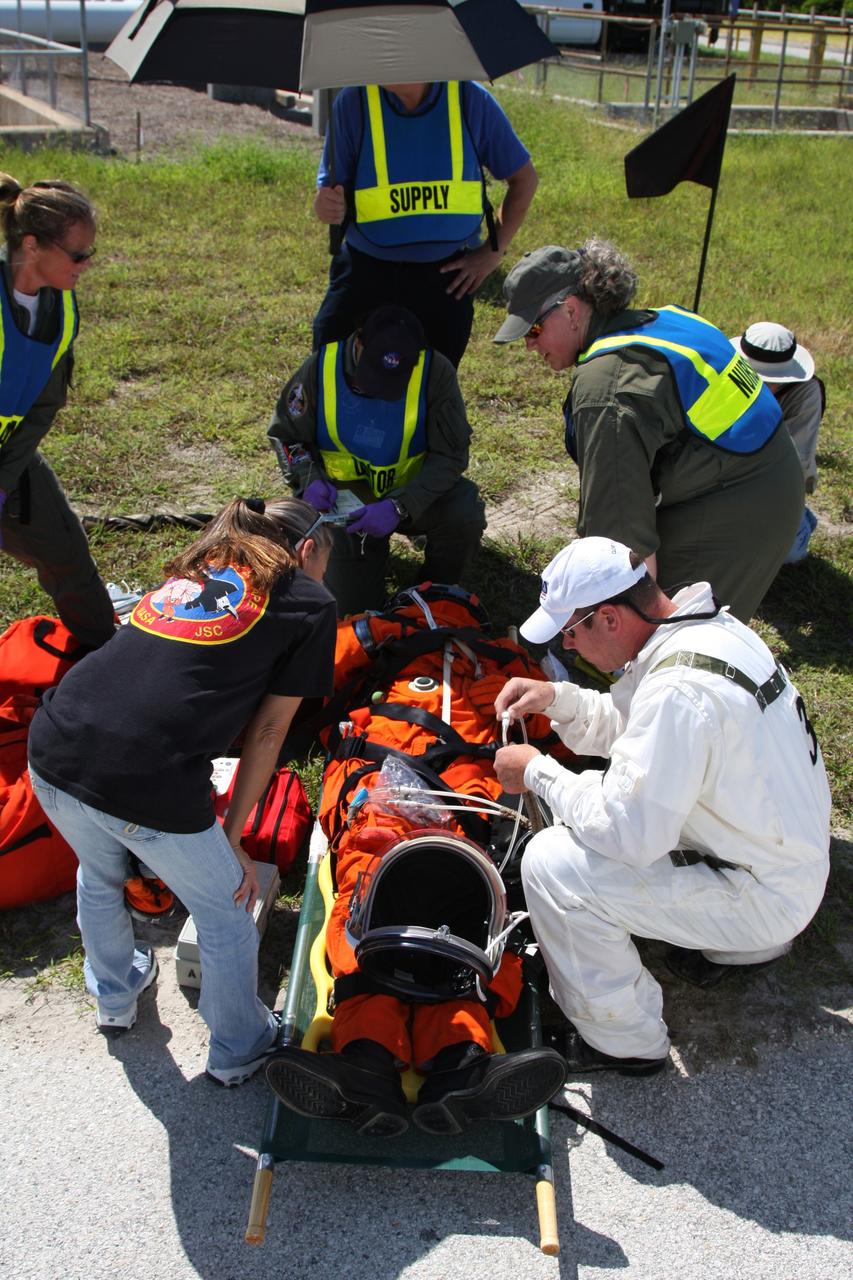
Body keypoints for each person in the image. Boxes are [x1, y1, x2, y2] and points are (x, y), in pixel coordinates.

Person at [27, 498, 337, 1087]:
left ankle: (114, 997)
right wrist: (233, 837)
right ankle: (239, 1046)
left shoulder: (201, 563)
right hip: (146, 774)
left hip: (54, 745)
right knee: (226, 910)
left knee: (100, 873)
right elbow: (270, 730)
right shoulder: (309, 601)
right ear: (305, 551)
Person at [493, 536, 831, 1075]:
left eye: (570, 633)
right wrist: (558, 699)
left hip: (766, 893)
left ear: (608, 617)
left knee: (553, 865)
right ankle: (738, 945)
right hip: (786, 859)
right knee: (642, 800)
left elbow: (627, 833)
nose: (571, 649)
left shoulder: (678, 689)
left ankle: (623, 1043)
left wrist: (537, 771)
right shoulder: (708, 630)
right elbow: (640, 726)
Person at [493, 239, 805, 623]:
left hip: (742, 509)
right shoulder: (668, 319)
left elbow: (623, 543)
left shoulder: (606, 389)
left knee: (670, 638)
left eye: (534, 328)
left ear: (572, 310)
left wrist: (620, 636)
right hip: (769, 479)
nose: (528, 345)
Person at [268, 303, 485, 616]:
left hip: (413, 498)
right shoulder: (321, 369)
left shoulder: (434, 373)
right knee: (353, 610)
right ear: (358, 343)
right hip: (347, 513)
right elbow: (286, 436)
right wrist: (309, 478)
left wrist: (399, 506)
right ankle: (363, 562)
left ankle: (436, 593)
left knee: (463, 511)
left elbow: (450, 456)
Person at [313, 80, 538, 367]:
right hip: (364, 269)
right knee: (327, 367)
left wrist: (493, 252)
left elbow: (524, 180)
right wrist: (325, 206)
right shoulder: (353, 101)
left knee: (430, 389)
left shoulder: (470, 99)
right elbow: (328, 198)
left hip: (445, 279)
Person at [0, 173, 115, 649]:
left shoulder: (63, 309)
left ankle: (104, 657)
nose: (86, 265)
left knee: (67, 551)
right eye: (78, 254)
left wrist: (4, 481)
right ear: (32, 245)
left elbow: (44, 405)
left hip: (12, 456)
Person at [731, 321, 825, 564]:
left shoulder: (806, 395)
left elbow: (794, 466)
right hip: (726, 481)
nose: (763, 385)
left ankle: (803, 522)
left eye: (770, 379)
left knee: (788, 553)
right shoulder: (725, 379)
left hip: (770, 487)